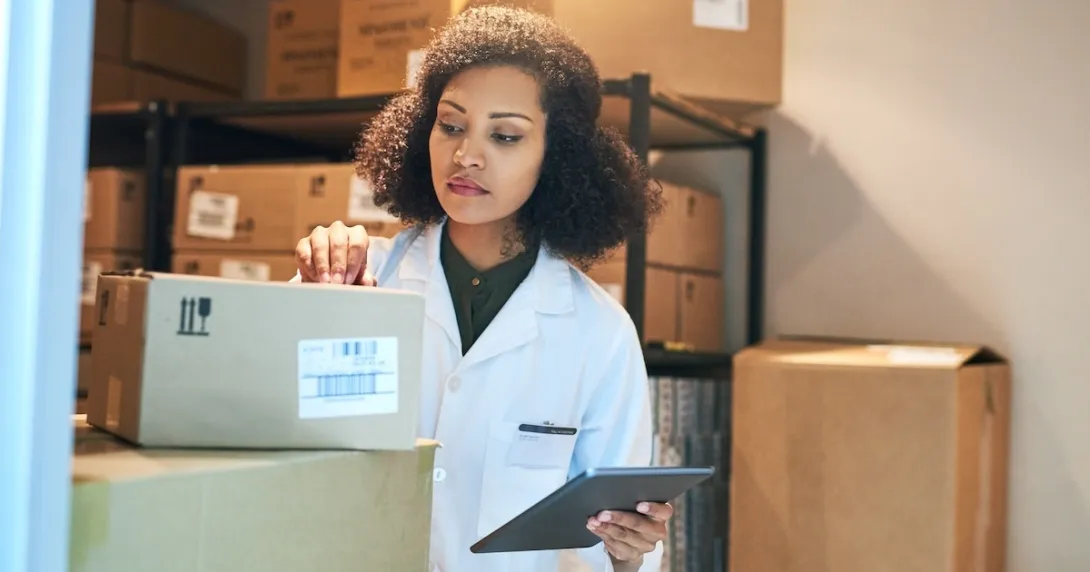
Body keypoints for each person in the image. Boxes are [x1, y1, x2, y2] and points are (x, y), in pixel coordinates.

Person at [293, 6, 668, 571]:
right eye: (450, 125)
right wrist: (306, 304)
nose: (466, 155)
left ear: (558, 155)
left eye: (505, 135)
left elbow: (618, 540)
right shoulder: (353, 275)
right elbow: (262, 449)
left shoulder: (600, 332)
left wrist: (632, 550)